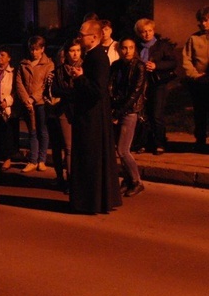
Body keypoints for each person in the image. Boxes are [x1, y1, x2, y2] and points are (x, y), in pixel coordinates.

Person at [69, 20, 122, 214]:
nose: (79, 37)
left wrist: (80, 78)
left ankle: (90, 202)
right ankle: (93, 201)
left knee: (90, 159)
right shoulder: (92, 55)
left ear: (94, 37)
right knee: (91, 159)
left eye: (82, 34)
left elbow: (98, 90)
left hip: (92, 118)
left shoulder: (98, 57)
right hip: (90, 115)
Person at [109, 36, 147, 197]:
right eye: (124, 48)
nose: (127, 51)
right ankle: (128, 180)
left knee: (123, 149)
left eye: (131, 48)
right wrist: (112, 104)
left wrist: (120, 111)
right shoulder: (116, 65)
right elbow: (110, 86)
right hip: (116, 108)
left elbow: (135, 92)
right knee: (119, 148)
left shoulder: (139, 66)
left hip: (130, 110)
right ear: (119, 50)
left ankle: (137, 181)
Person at [135, 18, 177, 155]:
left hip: (158, 83)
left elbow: (172, 62)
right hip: (142, 84)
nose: (147, 34)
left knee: (156, 114)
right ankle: (144, 143)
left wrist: (156, 65)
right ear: (139, 33)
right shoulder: (137, 46)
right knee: (143, 114)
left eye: (150, 31)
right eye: (143, 32)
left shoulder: (162, 46)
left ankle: (160, 143)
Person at [15, 36, 54, 173]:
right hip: (27, 104)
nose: (34, 52)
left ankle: (42, 160)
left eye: (37, 49)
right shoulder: (23, 64)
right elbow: (19, 83)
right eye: (32, 49)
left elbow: (45, 86)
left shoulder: (49, 64)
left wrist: (32, 98)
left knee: (42, 131)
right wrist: (26, 99)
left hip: (41, 103)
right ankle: (32, 160)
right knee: (32, 131)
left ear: (42, 49)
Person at [46, 39, 81, 193]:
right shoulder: (59, 71)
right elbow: (56, 90)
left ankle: (79, 178)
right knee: (67, 147)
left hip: (80, 110)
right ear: (66, 53)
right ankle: (69, 179)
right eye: (72, 50)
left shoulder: (85, 67)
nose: (75, 54)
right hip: (63, 111)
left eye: (78, 50)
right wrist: (72, 93)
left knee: (77, 147)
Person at [181, 6, 209, 153]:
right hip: (198, 83)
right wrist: (195, 75)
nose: (204, 23)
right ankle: (200, 141)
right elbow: (186, 59)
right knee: (200, 113)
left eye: (207, 20)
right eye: (202, 20)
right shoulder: (194, 38)